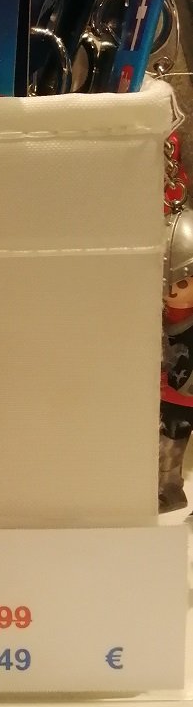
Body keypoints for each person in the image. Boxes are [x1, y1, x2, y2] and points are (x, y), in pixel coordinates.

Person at [160, 206, 193, 511]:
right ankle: (169, 493)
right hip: (170, 399)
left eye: (182, 283)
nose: (173, 292)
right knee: (169, 450)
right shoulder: (157, 318)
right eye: (167, 284)